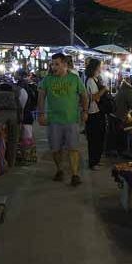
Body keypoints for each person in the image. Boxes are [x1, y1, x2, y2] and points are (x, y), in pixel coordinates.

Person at [38, 54, 88, 186]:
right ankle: (59, 170)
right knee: (55, 149)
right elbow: (41, 97)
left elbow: (84, 95)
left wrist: (85, 111)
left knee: (73, 148)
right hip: (54, 120)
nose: (53, 67)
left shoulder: (74, 79)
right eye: (52, 64)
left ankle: (75, 174)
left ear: (65, 65)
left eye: (56, 64)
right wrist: (41, 114)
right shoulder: (47, 80)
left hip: (71, 120)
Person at [111, 76, 132, 159]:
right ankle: (122, 152)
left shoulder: (125, 88)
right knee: (121, 134)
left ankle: (118, 151)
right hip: (119, 114)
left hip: (116, 113)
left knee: (118, 134)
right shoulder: (130, 91)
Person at [83, 58, 108, 170]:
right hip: (93, 113)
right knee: (94, 139)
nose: (101, 68)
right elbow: (94, 97)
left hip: (98, 112)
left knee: (99, 138)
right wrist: (104, 89)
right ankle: (93, 163)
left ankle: (96, 160)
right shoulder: (90, 81)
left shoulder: (96, 79)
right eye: (100, 66)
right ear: (95, 67)